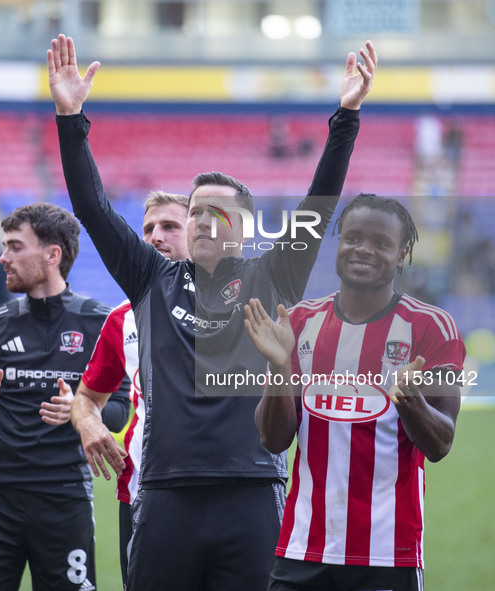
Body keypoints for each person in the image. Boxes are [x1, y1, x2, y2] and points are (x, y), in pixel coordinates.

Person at [49, 33, 377, 590]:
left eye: (217, 214)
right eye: (196, 211)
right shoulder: (152, 277)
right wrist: (69, 116)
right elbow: (92, 207)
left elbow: (319, 204)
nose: (201, 221)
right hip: (166, 494)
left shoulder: (272, 277)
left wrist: (346, 114)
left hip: (250, 493)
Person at [244, 194, 466, 591]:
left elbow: (440, 444)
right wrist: (279, 367)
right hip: (301, 550)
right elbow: (273, 439)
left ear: (402, 253)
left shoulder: (432, 327)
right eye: (353, 238)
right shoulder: (298, 322)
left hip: (387, 553)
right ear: (339, 243)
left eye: (381, 243)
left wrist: (411, 400)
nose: (364, 249)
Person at [0, 203, 130, 591]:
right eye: (4, 247)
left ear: (52, 255)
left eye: (15, 247)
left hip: (64, 500)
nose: (3, 257)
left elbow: (121, 411)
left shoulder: (100, 322)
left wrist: (85, 409)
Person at [71, 189, 190, 589]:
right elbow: (86, 398)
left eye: (170, 226)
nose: (155, 236)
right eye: (148, 229)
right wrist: (88, 424)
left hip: (231, 489)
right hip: (143, 491)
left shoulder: (241, 304)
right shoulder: (122, 319)